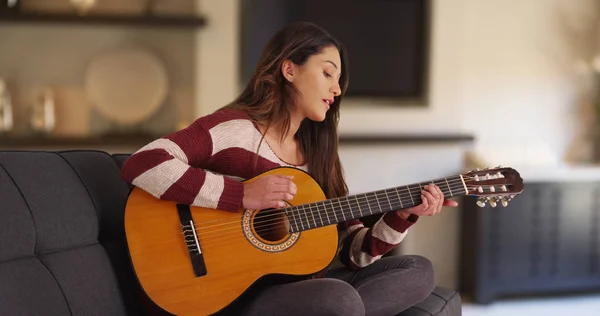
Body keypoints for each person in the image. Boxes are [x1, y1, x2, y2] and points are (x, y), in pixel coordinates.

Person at [121, 21, 459, 316]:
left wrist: (403, 214)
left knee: (418, 270)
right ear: (290, 69)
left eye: (339, 80)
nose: (337, 90)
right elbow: (143, 163)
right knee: (338, 299)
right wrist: (241, 194)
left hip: (300, 291)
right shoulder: (234, 129)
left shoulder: (319, 155)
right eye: (327, 73)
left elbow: (354, 253)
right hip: (232, 294)